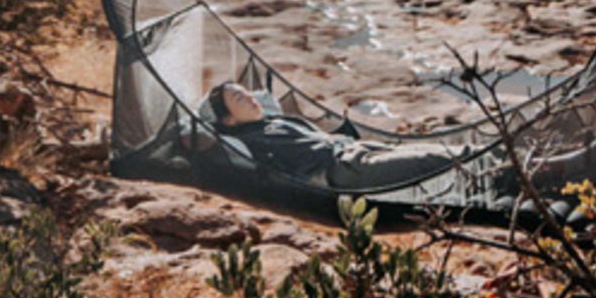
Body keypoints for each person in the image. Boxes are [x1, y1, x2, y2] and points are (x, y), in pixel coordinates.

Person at [201, 81, 470, 192]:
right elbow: (201, 138)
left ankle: (497, 167)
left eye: (247, 92)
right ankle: (498, 173)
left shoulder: (277, 119)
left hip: (356, 148)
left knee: (438, 152)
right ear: (229, 119)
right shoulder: (251, 142)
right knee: (434, 161)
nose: (250, 97)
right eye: (239, 98)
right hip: (345, 169)